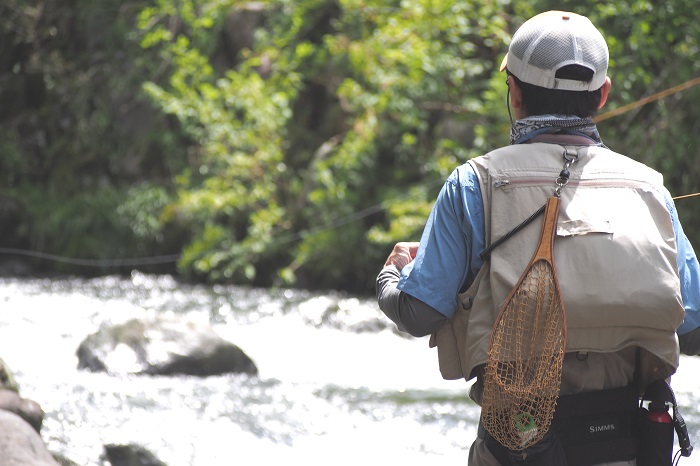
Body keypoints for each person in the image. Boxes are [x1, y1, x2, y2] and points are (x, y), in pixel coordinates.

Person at [376, 10, 700, 466]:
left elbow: (420, 312)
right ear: (603, 94)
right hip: (629, 443)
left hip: (519, 447)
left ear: (515, 91)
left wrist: (391, 275)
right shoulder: (651, 190)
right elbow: (694, 324)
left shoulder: (473, 184)